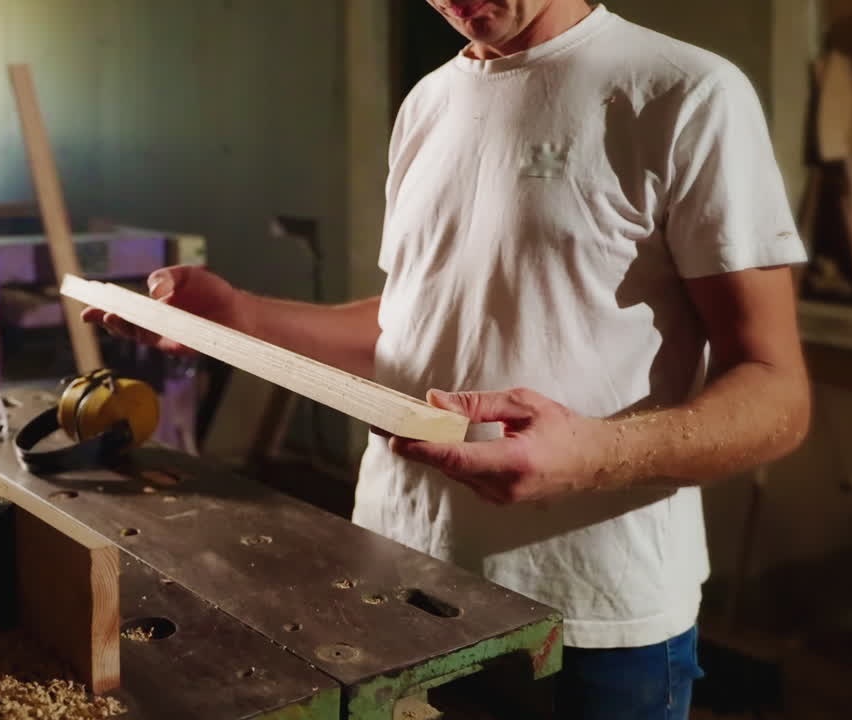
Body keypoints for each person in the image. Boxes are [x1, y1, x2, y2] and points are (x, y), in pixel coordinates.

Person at [86, 1, 810, 717]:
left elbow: (778, 396)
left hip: (588, 622)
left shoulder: (683, 92)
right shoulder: (429, 101)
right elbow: (420, 323)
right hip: (396, 584)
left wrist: (590, 454)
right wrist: (243, 318)